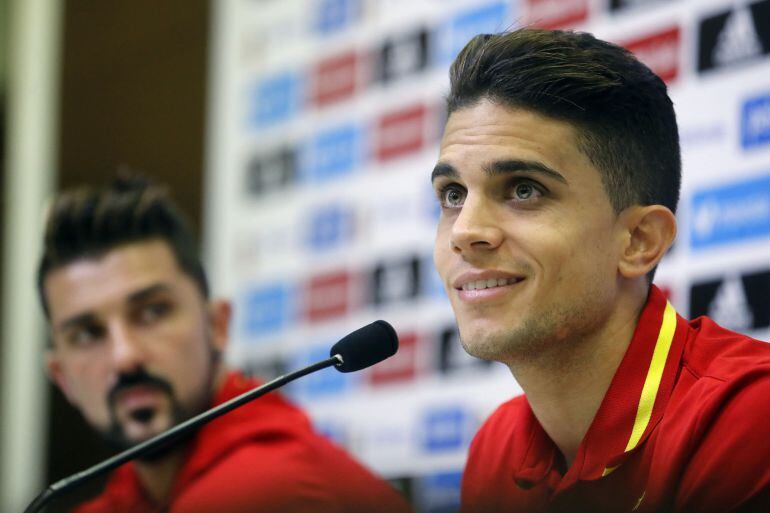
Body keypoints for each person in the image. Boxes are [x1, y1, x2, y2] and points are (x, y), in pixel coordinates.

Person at [432, 28, 770, 513]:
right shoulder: (496, 449)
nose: (465, 231)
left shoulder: (749, 419)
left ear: (638, 241)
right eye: (453, 195)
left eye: (523, 189)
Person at [38, 175, 412, 513]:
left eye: (152, 312)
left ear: (217, 325)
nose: (125, 357)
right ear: (62, 377)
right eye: (87, 334)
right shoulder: (128, 494)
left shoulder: (267, 486)